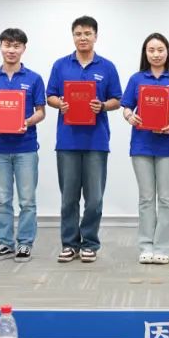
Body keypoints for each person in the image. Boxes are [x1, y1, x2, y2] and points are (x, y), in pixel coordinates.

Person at [46, 15, 122, 263]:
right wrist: (60, 103)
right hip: (67, 141)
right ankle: (69, 244)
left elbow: (117, 99)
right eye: (78, 33)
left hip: (96, 141)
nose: (83, 38)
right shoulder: (60, 65)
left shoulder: (107, 67)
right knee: (68, 198)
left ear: (95, 36)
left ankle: (89, 243)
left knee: (94, 198)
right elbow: (50, 96)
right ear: (73, 36)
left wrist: (103, 105)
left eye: (87, 33)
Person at [121, 33, 169, 264]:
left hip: (168, 146)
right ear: (145, 53)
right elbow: (126, 106)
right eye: (151, 50)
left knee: (166, 198)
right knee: (146, 198)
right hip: (141, 145)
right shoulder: (136, 79)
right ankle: (146, 246)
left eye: (160, 50)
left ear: (167, 52)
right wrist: (130, 116)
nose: (156, 54)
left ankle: (165, 247)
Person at [0, 28, 46, 262]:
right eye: (7, 45)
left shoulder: (34, 78)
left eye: (16, 46)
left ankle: (25, 244)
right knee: (2, 200)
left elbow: (41, 112)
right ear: (1, 47)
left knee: (27, 200)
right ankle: (5, 244)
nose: (11, 50)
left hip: (26, 148)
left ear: (24, 49)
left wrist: (25, 122)